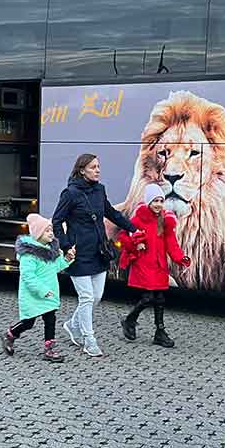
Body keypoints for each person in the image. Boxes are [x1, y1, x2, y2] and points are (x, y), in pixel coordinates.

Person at [51, 153, 140, 358]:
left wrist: (132, 228)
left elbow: (111, 213)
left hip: (99, 252)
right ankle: (89, 340)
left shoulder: (100, 190)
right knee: (86, 297)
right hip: (78, 254)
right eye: (93, 167)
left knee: (96, 297)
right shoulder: (70, 193)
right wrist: (65, 246)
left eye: (98, 166)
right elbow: (56, 221)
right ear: (82, 170)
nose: (98, 170)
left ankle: (72, 325)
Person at [117, 184, 191, 347]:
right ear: (148, 202)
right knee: (149, 297)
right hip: (143, 264)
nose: (158, 204)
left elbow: (171, 243)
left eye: (160, 201)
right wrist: (136, 244)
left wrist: (180, 258)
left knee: (160, 298)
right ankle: (130, 319)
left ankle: (159, 331)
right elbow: (124, 237)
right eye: (155, 201)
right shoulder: (138, 219)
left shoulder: (165, 221)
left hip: (159, 265)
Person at [2, 213, 76, 362]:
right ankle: (10, 335)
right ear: (38, 234)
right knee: (29, 322)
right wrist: (43, 291)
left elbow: (55, 267)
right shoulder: (29, 256)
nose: (51, 233)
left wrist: (67, 259)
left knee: (50, 319)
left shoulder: (49, 251)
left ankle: (49, 349)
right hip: (33, 295)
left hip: (49, 294)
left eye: (51, 231)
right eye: (47, 231)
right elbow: (28, 277)